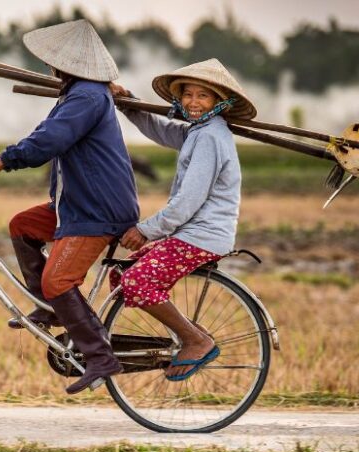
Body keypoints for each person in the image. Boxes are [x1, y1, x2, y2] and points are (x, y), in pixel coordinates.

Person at [0, 19, 139, 394]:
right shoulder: (80, 93)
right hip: (75, 204)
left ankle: (100, 355)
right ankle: (51, 309)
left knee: (58, 280)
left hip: (96, 210)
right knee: (23, 225)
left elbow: (49, 141)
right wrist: (5, 155)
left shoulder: (85, 97)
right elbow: (43, 135)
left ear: (60, 65)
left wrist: (7, 160)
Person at [108, 58, 257, 381]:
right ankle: (188, 332)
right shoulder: (199, 131)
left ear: (220, 102)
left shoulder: (210, 137)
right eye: (188, 94)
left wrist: (146, 230)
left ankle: (195, 340)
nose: (192, 102)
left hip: (201, 236)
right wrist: (128, 104)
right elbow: (161, 130)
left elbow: (188, 201)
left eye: (203, 96)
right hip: (190, 234)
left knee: (137, 282)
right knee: (123, 274)